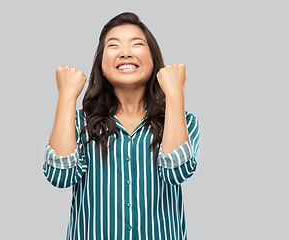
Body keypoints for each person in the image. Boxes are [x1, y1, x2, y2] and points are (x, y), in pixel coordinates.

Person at [43, 12, 200, 240]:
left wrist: (174, 93)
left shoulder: (184, 121)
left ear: (153, 59)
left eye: (136, 44)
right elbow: (59, 176)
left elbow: (176, 171)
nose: (125, 52)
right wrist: (67, 95)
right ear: (101, 64)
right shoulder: (79, 122)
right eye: (113, 46)